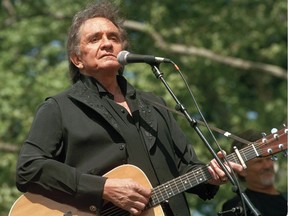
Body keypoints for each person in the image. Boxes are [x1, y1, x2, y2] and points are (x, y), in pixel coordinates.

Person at [16, 1, 242, 215]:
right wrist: (102, 188)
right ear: (77, 59)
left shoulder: (155, 105)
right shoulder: (59, 107)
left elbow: (185, 169)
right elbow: (29, 168)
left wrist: (212, 174)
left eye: (113, 37)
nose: (107, 43)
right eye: (95, 39)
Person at [221, 130, 287, 216]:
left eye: (269, 159)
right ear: (242, 169)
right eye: (259, 162)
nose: (267, 166)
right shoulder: (236, 207)